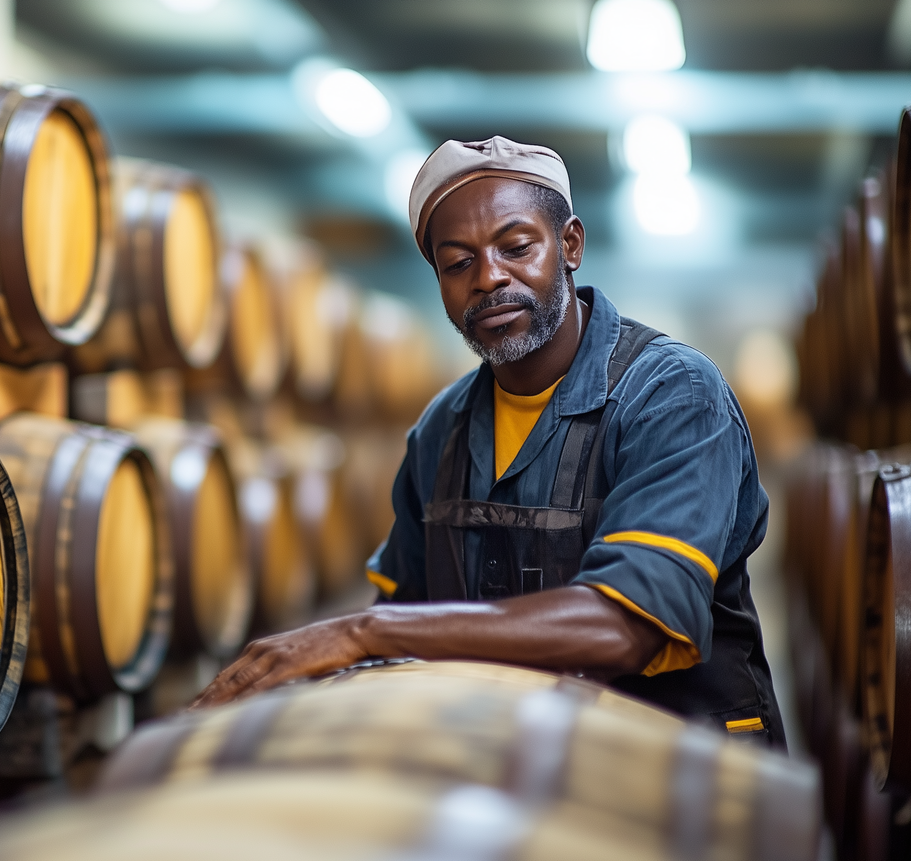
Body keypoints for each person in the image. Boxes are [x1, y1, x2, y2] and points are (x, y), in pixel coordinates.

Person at [193, 136, 784, 747]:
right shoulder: (441, 429)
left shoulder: (672, 395)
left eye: (517, 246)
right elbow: (412, 615)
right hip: (511, 763)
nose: (489, 277)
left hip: (686, 768)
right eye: (457, 263)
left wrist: (365, 631)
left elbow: (626, 624)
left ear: (571, 245)